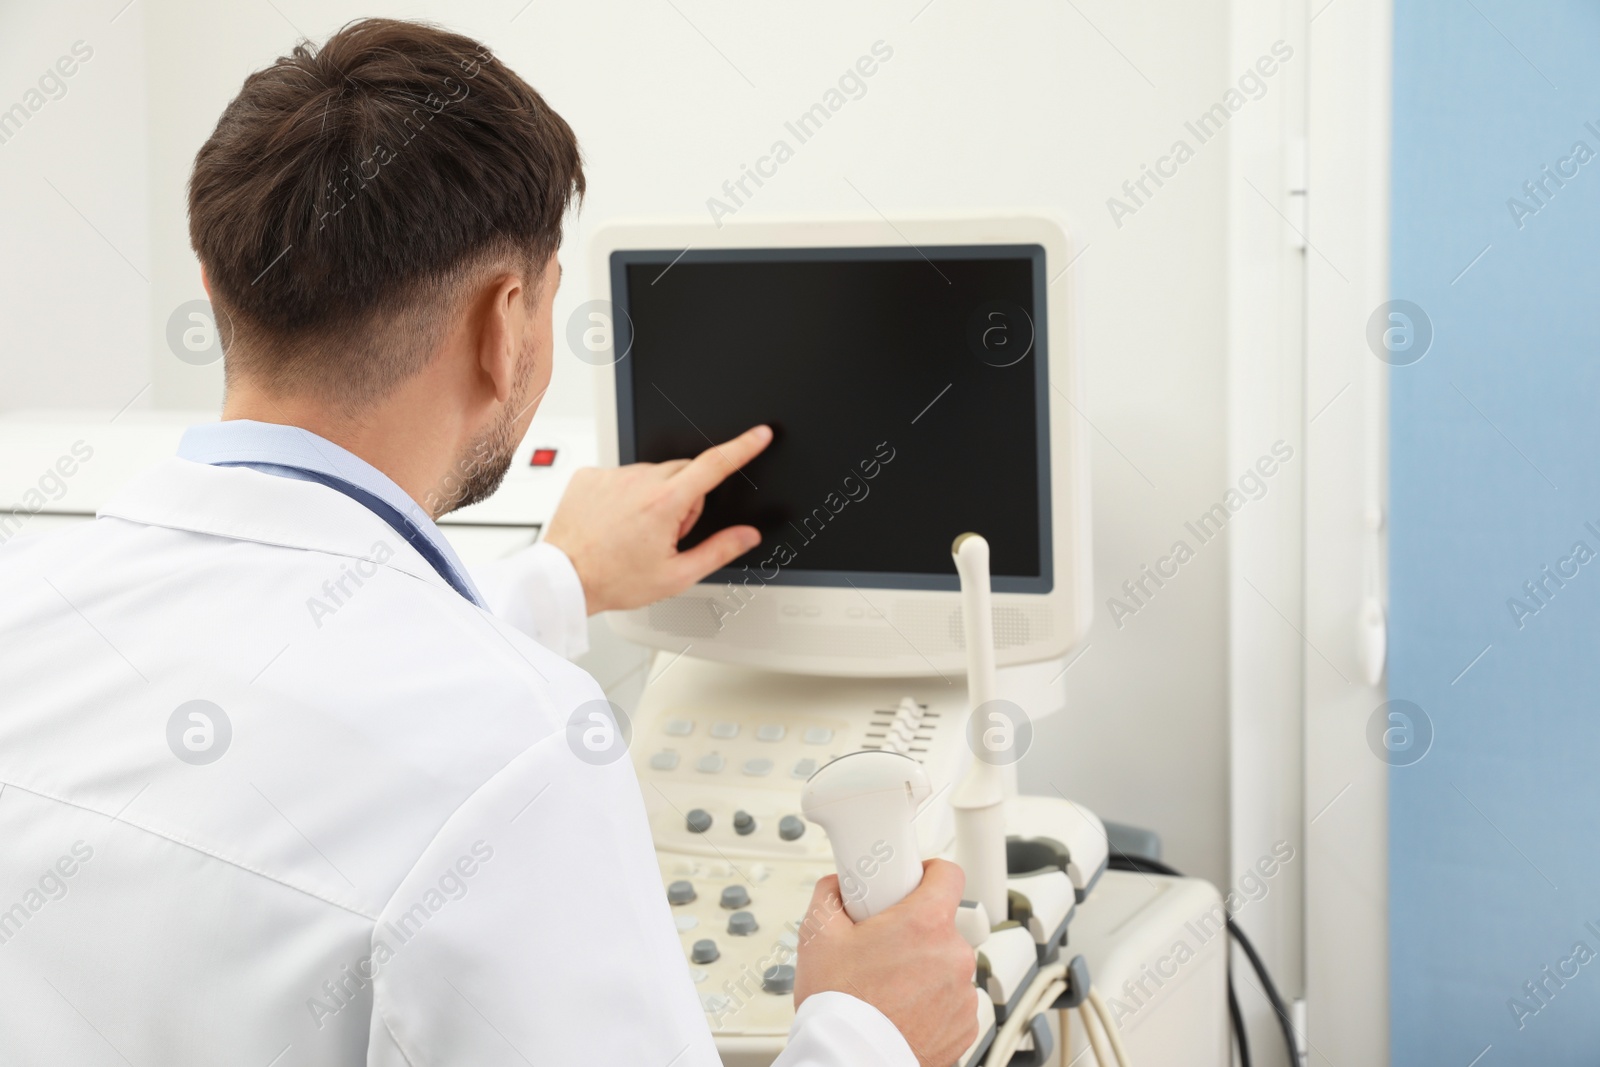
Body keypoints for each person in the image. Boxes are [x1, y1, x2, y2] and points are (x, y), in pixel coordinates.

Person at [0, 17, 978, 1067]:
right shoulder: (524, 752)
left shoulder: (29, 607)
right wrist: (869, 1030)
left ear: (213, 284)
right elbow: (418, 749)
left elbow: (292, 698)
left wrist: (557, 582)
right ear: (504, 322)